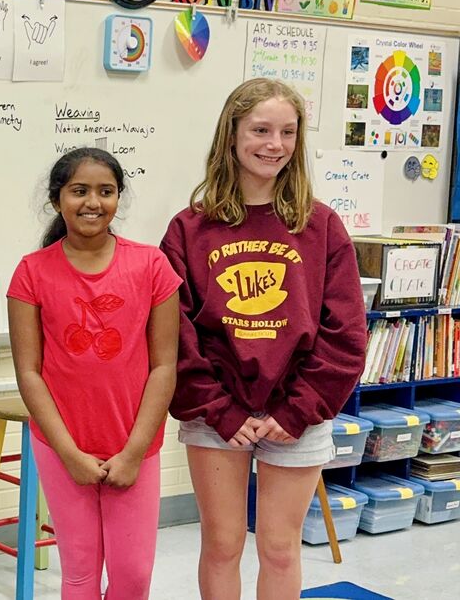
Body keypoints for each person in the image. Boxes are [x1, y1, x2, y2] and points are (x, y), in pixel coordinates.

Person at [159, 78, 367, 600]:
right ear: (231, 135)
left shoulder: (322, 226)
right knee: (223, 544)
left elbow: (345, 336)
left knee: (279, 547)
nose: (274, 144)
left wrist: (296, 411)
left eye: (287, 132)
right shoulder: (189, 230)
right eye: (260, 130)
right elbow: (174, 336)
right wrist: (221, 410)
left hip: (297, 413)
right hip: (216, 416)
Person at [7, 148, 180, 600]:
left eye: (106, 192)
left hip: (134, 446)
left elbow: (164, 366)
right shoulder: (31, 273)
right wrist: (68, 453)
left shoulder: (151, 267)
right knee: (80, 574)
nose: (92, 202)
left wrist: (133, 450)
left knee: (133, 576)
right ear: (56, 199)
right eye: (79, 191)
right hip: (63, 447)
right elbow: (29, 373)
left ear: (118, 198)